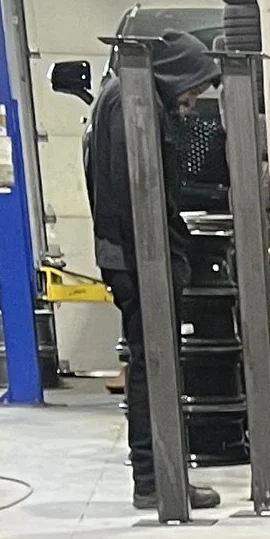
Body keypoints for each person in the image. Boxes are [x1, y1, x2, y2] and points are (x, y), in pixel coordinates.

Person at [84, 29, 222, 512]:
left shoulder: (120, 97)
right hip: (139, 257)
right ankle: (156, 479)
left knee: (149, 366)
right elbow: (136, 195)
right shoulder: (134, 105)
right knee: (154, 368)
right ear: (177, 73)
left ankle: (156, 476)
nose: (196, 99)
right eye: (196, 87)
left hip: (130, 255)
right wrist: (168, 258)